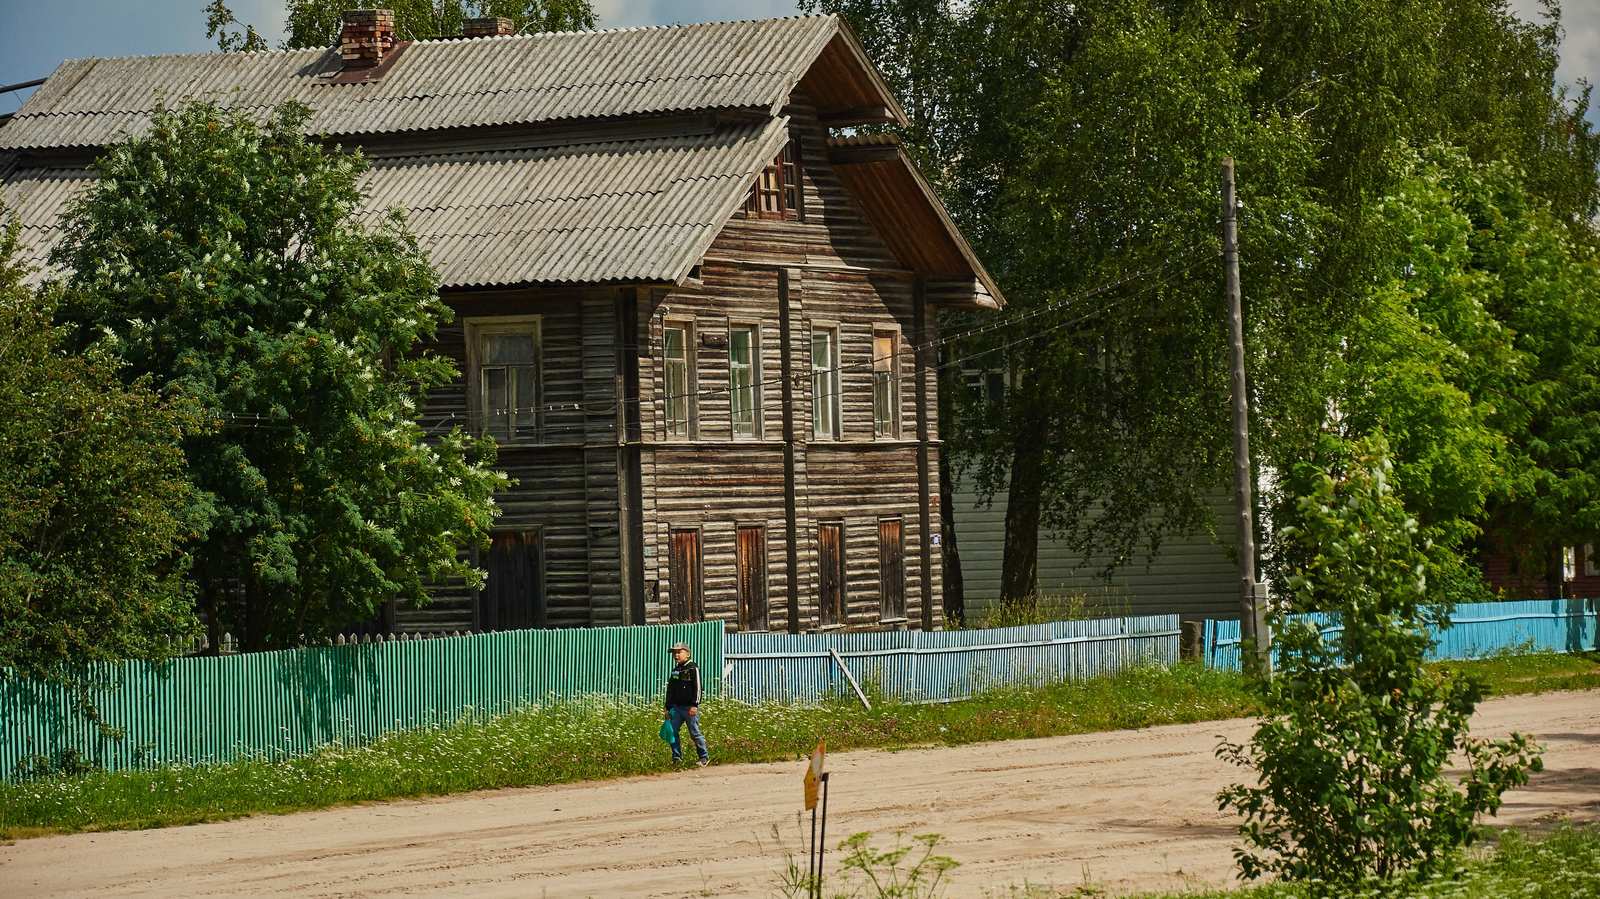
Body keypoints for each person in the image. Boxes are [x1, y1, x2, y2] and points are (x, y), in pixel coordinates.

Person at [664, 641, 709, 767]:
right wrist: (667, 707)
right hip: (676, 708)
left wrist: (695, 705)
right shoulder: (675, 670)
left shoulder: (693, 668)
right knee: (672, 732)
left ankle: (704, 757)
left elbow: (698, 687)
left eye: (679, 652)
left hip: (689, 708)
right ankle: (677, 758)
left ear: (687, 654)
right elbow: (670, 690)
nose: (676, 655)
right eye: (674, 653)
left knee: (694, 733)